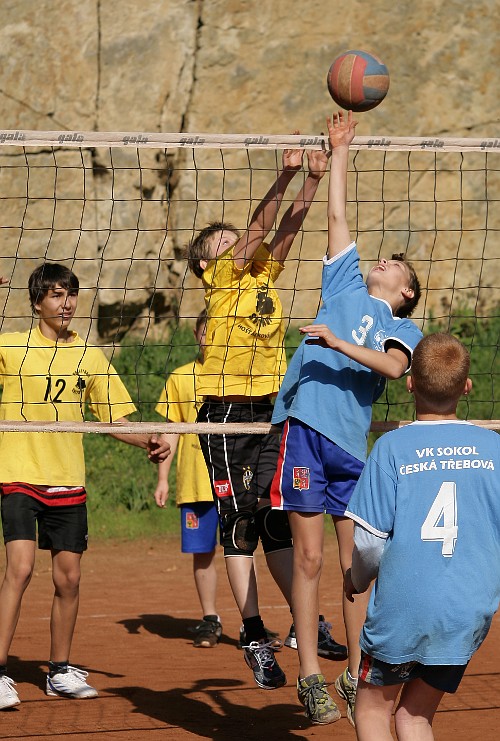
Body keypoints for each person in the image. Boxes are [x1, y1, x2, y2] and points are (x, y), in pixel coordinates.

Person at [270, 110, 423, 724]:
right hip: (307, 431)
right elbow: (336, 217)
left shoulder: (404, 328)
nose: (381, 261)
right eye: (379, 258)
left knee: (355, 570)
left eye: (395, 265)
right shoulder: (343, 288)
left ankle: (357, 674)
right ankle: (310, 675)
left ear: (407, 292)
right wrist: (340, 152)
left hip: (352, 450)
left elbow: (393, 369)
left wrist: (336, 343)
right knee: (306, 559)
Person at [186, 142, 346, 690]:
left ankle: (306, 624)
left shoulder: (262, 276)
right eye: (223, 242)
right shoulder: (222, 280)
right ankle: (253, 634)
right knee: (240, 522)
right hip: (227, 410)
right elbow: (259, 228)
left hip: (273, 408)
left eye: (234, 238)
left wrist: (312, 179)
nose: (236, 243)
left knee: (278, 519)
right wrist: (283, 175)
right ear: (207, 263)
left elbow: (287, 229)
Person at [0, 263, 170, 711]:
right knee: (19, 569)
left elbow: (113, 418)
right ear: (37, 302)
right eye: (56, 295)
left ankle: (59, 671)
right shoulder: (11, 347)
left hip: (68, 480)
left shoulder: (89, 356)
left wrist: (148, 441)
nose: (66, 303)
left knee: (69, 578)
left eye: (71, 294)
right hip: (19, 474)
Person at [344, 332, 500, 741]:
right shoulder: (494, 448)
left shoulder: (391, 448)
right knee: (414, 716)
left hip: (402, 610)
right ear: (467, 387)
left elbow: (369, 544)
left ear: (410, 383)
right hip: (466, 612)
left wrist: (356, 579)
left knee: (371, 710)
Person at [154, 309, 223, 648]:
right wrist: (163, 479)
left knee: (244, 550)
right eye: (205, 331)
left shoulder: (240, 378)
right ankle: (210, 619)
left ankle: (252, 623)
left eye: (218, 331)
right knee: (203, 552)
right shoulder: (180, 377)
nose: (210, 337)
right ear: (196, 334)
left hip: (234, 482)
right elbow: (171, 431)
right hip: (195, 482)